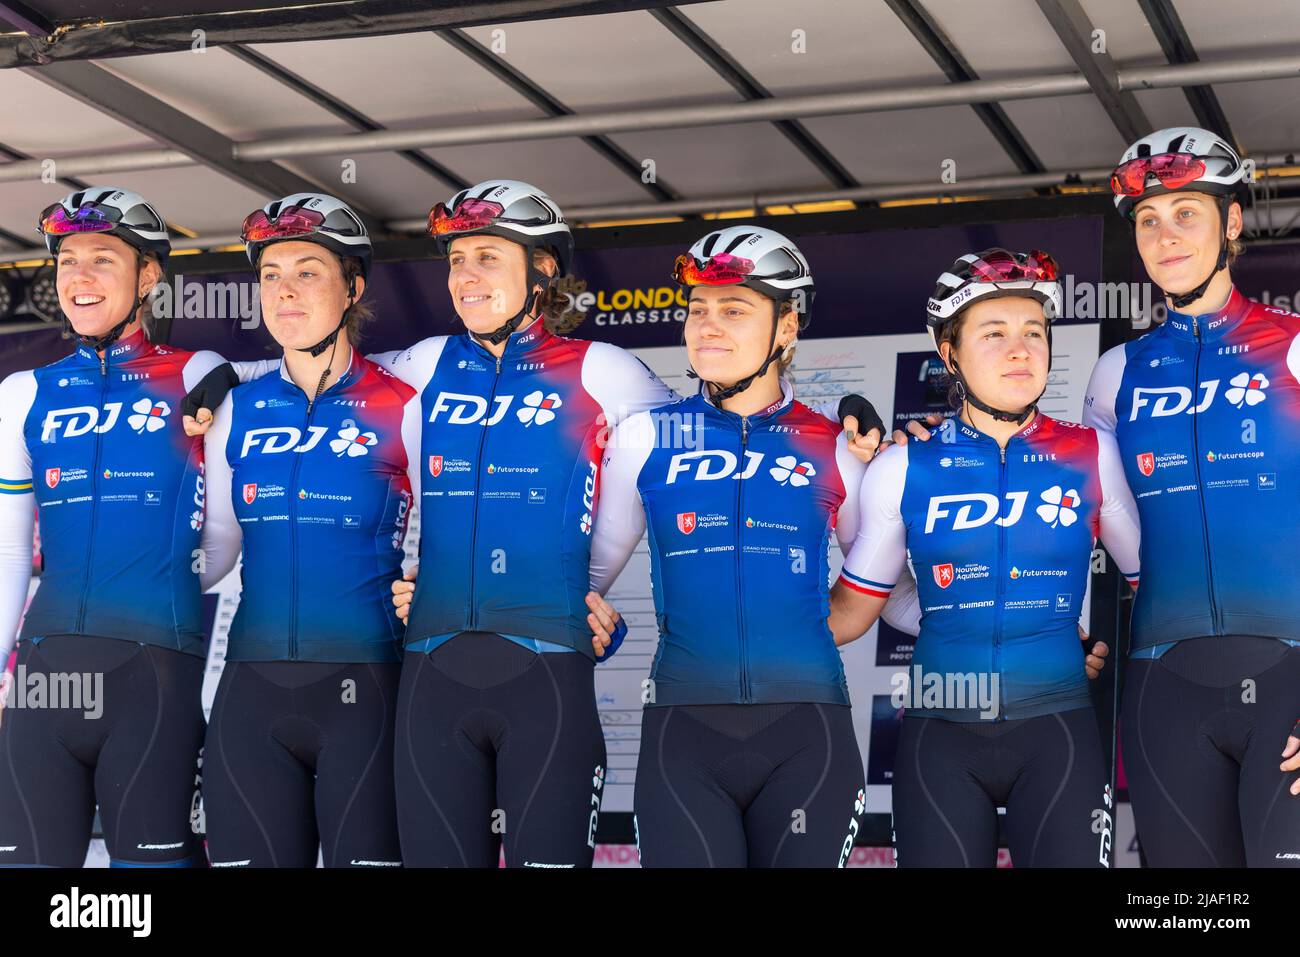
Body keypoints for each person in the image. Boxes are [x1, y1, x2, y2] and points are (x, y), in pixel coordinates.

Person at [188, 181, 885, 867]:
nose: (466, 276)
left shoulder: (603, 372)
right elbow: (309, 364)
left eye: (487, 257)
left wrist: (849, 413)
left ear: (542, 268)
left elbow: (717, 424)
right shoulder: (424, 367)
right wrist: (218, 375)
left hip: (548, 675)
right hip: (432, 672)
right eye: (457, 260)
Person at [829, 248, 1142, 867]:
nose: (1020, 350)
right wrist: (963, 617)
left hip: (1058, 732)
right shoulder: (902, 465)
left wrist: (1046, 630)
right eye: (993, 334)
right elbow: (866, 607)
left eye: (1034, 332)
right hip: (939, 738)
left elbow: (1158, 585)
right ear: (950, 353)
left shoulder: (1091, 454)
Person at [586, 226, 884, 867]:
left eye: (734, 309)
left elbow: (875, 589)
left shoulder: (837, 443)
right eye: (697, 310)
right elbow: (588, 575)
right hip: (682, 730)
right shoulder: (648, 437)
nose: (708, 326)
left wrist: (792, 636)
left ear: (786, 328)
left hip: (808, 732)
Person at [0, 187, 238, 867]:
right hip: (44, 668)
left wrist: (163, 594)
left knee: (146, 874)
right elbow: (11, 547)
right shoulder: (23, 394)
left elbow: (220, 538)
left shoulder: (199, 376)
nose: (79, 275)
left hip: (154, 667)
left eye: (102, 258)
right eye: (67, 259)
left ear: (149, 276)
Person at [1082, 127, 1300, 866]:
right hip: (1162, 688)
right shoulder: (1115, 376)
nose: (1164, 235)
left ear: (1232, 222)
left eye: (1187, 214)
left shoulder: (1295, 346)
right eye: (1148, 219)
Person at [199, 193, 420, 867]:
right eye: (269, 275)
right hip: (249, 692)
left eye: (306, 271)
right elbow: (210, 554)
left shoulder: (407, 399)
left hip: (370, 690)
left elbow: (456, 532)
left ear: (353, 286)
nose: (283, 290)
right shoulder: (234, 407)